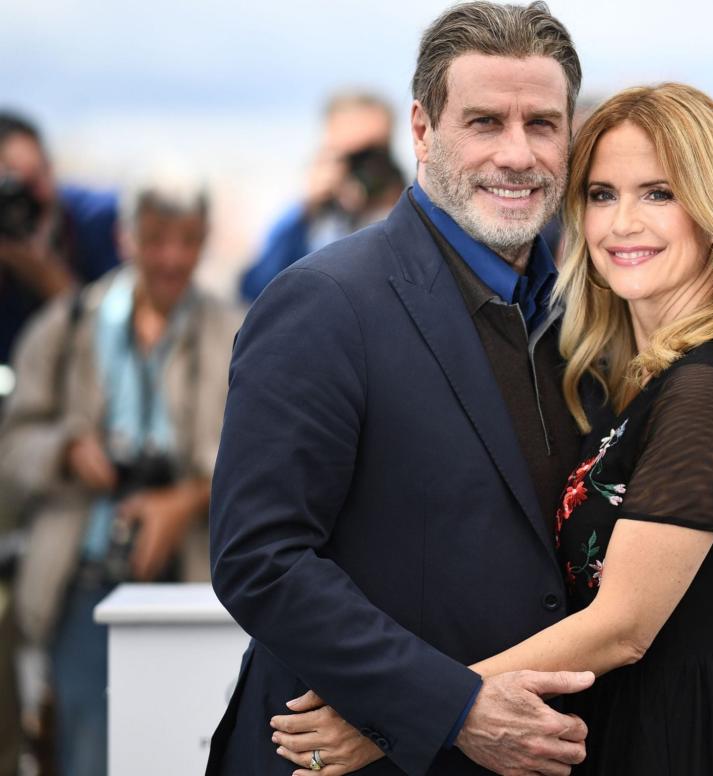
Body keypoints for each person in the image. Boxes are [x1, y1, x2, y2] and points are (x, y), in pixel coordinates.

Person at [273, 82, 713, 776]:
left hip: (691, 740)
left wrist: (399, 713)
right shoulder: (638, 373)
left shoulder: (710, 385)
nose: (622, 224)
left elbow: (623, 627)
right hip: (631, 723)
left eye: (659, 193)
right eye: (601, 194)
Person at [207, 3, 595, 775]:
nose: (518, 154)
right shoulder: (322, 301)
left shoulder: (582, 311)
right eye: (485, 122)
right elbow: (260, 556)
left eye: (543, 124)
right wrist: (451, 707)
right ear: (422, 130)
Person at [0, 168, 241, 776]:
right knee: (87, 747)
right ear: (126, 237)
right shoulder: (69, 325)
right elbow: (13, 446)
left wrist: (185, 499)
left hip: (194, 580)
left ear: (205, 239)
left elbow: (263, 458)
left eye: (187, 241)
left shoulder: (234, 329)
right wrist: (66, 449)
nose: (171, 258)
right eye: (156, 239)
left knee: (189, 747)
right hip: (82, 574)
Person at [238, 91, 395, 302]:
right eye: (350, 156)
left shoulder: (409, 211)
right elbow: (256, 290)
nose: (361, 167)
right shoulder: (307, 221)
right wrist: (307, 209)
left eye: (371, 153)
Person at [0, 111, 121, 376]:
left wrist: (41, 270)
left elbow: (115, 334)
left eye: (40, 174)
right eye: (14, 189)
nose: (37, 196)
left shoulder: (96, 222)